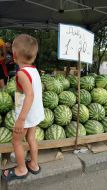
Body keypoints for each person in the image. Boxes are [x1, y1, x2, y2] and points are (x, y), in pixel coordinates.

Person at [2, 34, 45, 181]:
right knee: (31, 138)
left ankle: (21, 169)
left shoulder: (21, 73)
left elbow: (30, 95)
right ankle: (34, 164)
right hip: (35, 113)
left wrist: (21, 120)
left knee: (16, 142)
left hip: (26, 115)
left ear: (14, 54)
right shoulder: (34, 70)